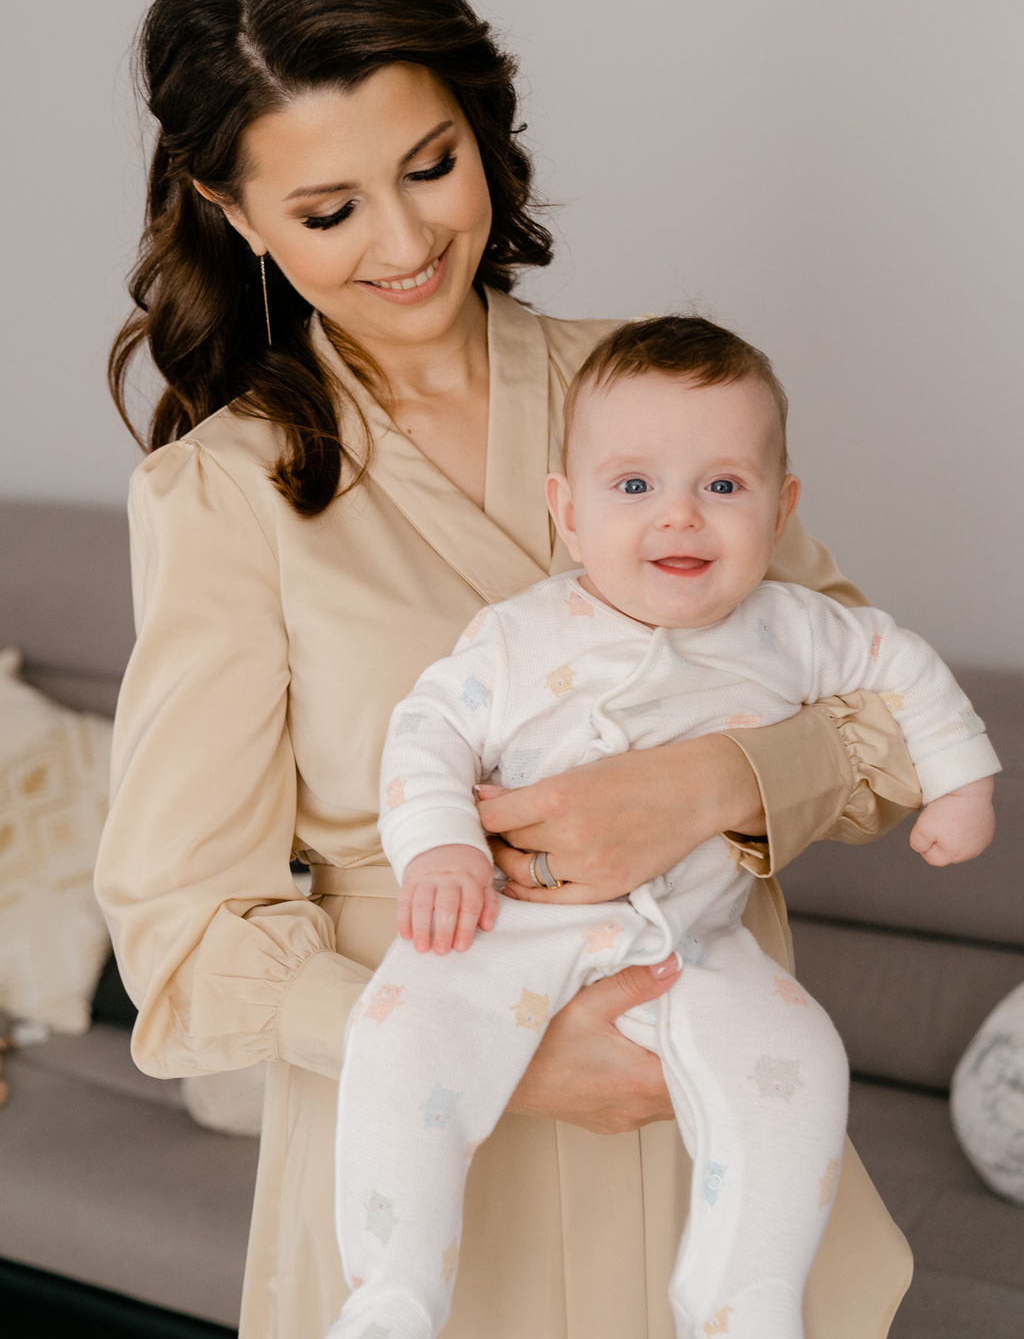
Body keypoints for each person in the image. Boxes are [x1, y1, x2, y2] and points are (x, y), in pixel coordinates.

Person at [94, 0, 929, 1339]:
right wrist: (506, 1062)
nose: (409, 242)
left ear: (482, 125)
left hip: (707, 1108)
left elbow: (896, 729)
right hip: (427, 1149)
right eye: (329, 208)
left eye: (432, 166)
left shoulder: (656, 410)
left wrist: (719, 785)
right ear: (235, 215)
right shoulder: (217, 496)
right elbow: (181, 934)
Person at [332, 315, 997, 1339]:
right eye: (633, 487)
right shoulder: (517, 637)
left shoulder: (791, 627)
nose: (678, 517)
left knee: (799, 1064)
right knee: (401, 1038)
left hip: (693, 949)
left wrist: (960, 785)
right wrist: (441, 847)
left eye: (721, 487)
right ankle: (390, 1298)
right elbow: (426, 734)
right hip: (500, 934)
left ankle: (743, 1303)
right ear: (567, 510)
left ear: (779, 509)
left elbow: (900, 669)